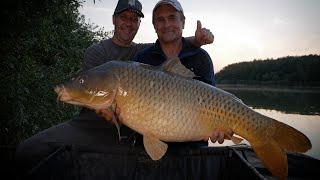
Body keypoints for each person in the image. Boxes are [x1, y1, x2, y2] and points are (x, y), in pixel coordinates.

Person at [15, 0, 218, 175]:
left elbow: (171, 41)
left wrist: (196, 41)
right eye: (124, 17)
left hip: (129, 127)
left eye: (134, 19)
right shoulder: (103, 52)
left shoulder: (142, 53)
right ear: (114, 19)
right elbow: (167, 38)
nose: (128, 23)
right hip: (94, 122)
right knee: (31, 149)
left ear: (140, 24)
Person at [133, 0, 233, 147]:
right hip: (147, 153)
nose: (166, 24)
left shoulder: (201, 58)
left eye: (172, 18)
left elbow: (213, 103)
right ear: (154, 26)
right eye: (160, 20)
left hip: (194, 153)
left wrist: (220, 128)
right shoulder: (142, 59)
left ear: (183, 22)